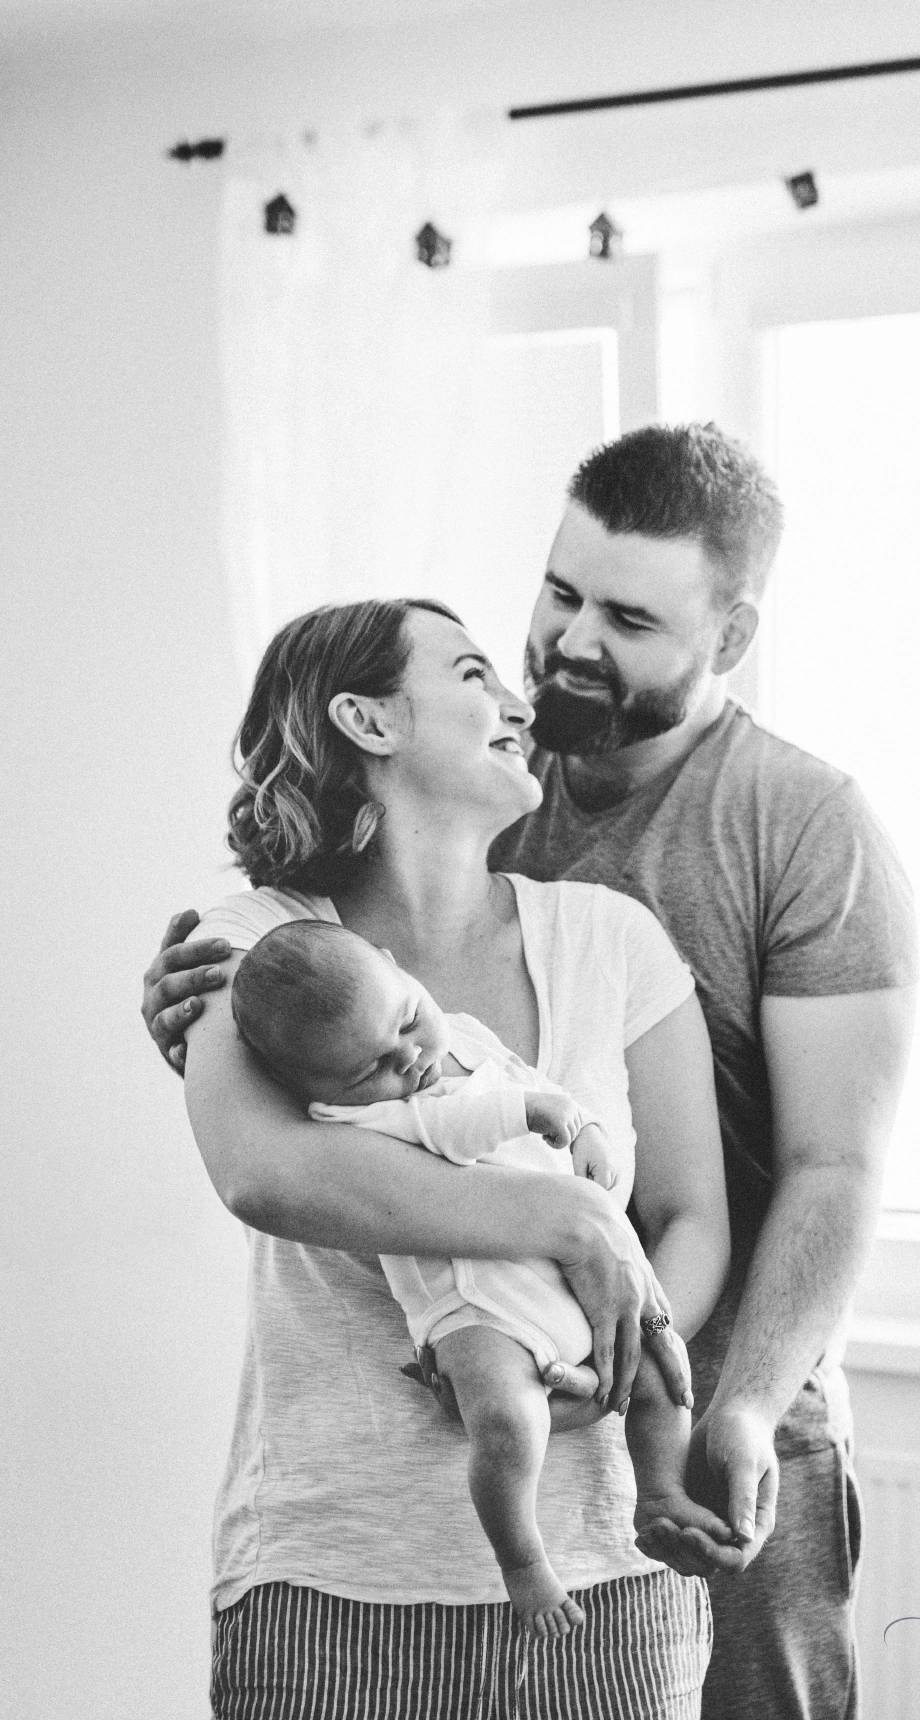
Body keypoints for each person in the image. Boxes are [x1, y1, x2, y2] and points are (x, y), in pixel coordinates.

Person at [145, 423, 919, 1719]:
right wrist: (226, 1005)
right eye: (560, 593)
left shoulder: (799, 828)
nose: (561, 651)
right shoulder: (492, 771)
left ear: (728, 637)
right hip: (358, 1527)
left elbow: (831, 1165)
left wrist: (728, 1398)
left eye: (628, 619)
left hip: (711, 1401)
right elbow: (275, 1120)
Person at [166, 594, 732, 1717]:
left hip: (607, 1575)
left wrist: (609, 1359)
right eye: (475, 676)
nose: (520, 705)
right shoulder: (251, 943)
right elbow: (265, 1174)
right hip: (330, 1588)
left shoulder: (611, 938)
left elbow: (690, 1216)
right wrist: (569, 1221)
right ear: (368, 721)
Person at [228, 916, 726, 1637]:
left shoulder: (462, 1034)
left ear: (397, 966)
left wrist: (583, 1126)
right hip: (473, 1309)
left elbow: (529, 1080)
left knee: (657, 1373)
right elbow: (455, 1130)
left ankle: (660, 1494)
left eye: (408, 1020)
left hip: (561, 1285)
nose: (410, 1059)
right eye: (372, 1068)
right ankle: (523, 1560)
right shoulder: (357, 1115)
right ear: (318, 1090)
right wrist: (535, 1112)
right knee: (507, 1425)